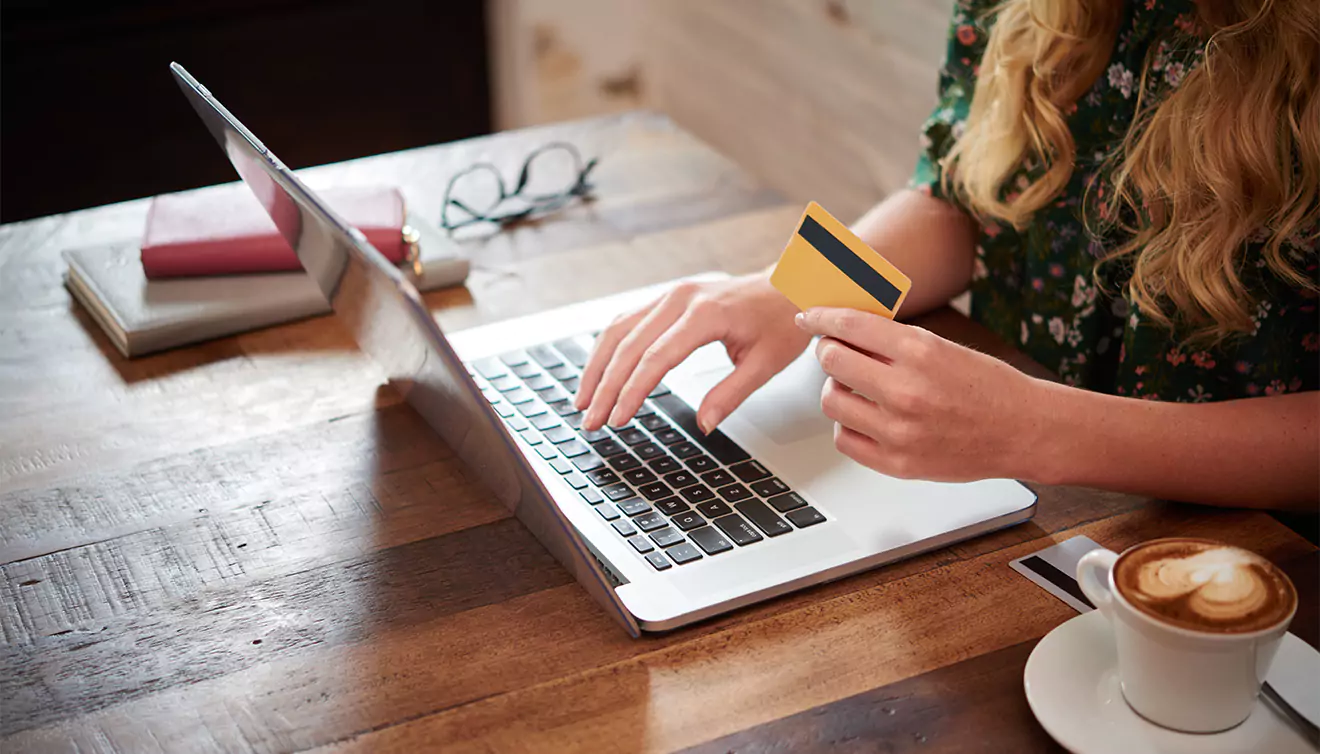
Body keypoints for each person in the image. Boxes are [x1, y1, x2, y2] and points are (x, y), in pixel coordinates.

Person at [575, 0, 1318, 511]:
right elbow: (966, 205)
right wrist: (788, 292)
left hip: (1260, 561)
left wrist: (1038, 428)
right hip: (1041, 506)